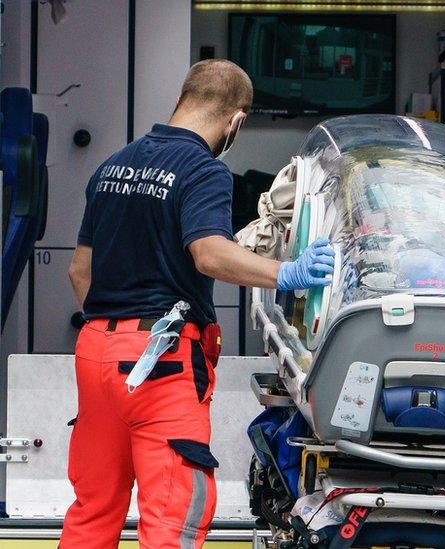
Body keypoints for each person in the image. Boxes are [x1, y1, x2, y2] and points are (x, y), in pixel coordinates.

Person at [63, 59, 334, 548]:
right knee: (172, 516)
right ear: (236, 121)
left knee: (93, 508)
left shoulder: (111, 166)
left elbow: (79, 272)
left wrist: (116, 332)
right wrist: (285, 272)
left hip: (95, 353)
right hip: (161, 364)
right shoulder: (203, 169)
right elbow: (208, 252)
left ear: (183, 99)